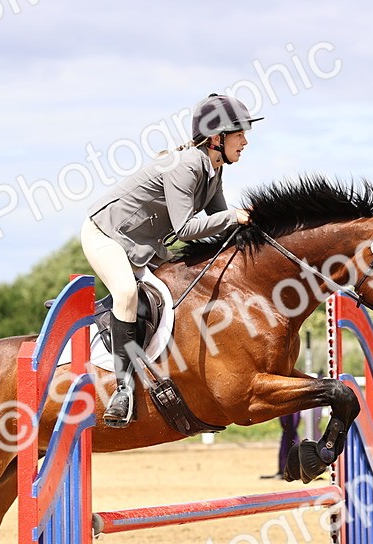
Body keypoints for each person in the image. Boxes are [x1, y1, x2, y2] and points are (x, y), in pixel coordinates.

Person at [81, 93, 261, 427]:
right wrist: (236, 217)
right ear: (216, 138)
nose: (246, 141)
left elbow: (220, 220)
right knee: (126, 294)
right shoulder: (186, 166)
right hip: (105, 235)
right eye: (240, 134)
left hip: (144, 245)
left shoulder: (213, 169)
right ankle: (123, 390)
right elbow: (187, 228)